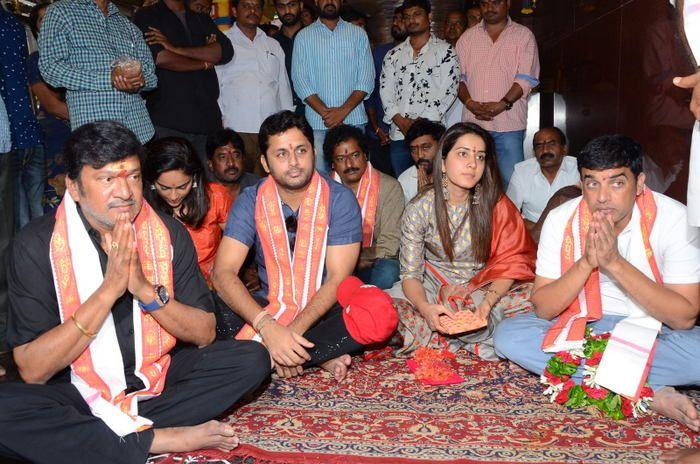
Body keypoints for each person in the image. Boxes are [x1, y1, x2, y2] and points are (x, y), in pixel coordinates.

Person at [0, 121, 269, 464]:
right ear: (75, 187)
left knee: (250, 359)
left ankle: (96, 436)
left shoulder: (168, 233)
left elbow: (205, 333)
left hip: (154, 378)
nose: (125, 192)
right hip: (74, 391)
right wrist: (108, 292)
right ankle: (152, 439)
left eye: (133, 176)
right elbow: (34, 368)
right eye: (107, 178)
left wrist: (144, 289)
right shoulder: (36, 245)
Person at [493, 135, 700, 432]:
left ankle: (610, 380)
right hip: (585, 328)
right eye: (592, 183)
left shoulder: (675, 219)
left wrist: (614, 262)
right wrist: (587, 263)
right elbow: (543, 308)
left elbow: (684, 317)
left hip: (657, 332)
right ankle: (651, 392)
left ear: (640, 184)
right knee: (509, 335)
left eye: (616, 183)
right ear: (581, 184)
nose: (602, 197)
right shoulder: (561, 219)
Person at [212, 111, 398, 382]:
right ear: (265, 162)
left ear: (313, 151)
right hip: (270, 308)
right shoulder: (251, 200)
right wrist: (269, 327)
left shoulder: (339, 199)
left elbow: (338, 279)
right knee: (217, 304)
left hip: (324, 309)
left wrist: (290, 335)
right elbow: (223, 272)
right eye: (281, 154)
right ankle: (317, 355)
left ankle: (282, 354)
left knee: (379, 313)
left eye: (301, 150)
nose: (294, 162)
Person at [388, 122, 536, 361]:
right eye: (463, 154)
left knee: (538, 295)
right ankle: (472, 337)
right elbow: (411, 275)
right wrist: (426, 309)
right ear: (443, 162)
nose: (472, 164)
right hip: (432, 285)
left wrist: (486, 305)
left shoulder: (496, 204)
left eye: (480, 156)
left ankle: (446, 338)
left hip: (482, 286)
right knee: (384, 309)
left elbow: (513, 261)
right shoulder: (420, 208)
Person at [133, 0, 234, 171]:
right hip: (169, 121)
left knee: (207, 189)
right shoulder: (147, 15)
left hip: (207, 121)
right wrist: (203, 62)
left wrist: (175, 49)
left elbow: (224, 52)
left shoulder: (200, 17)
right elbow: (160, 58)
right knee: (170, 185)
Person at [38, 0, 157, 144]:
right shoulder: (61, 12)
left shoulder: (126, 24)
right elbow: (50, 67)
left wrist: (139, 81)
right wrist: (109, 79)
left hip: (140, 132)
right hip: (96, 135)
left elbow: (151, 76)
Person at [455, 0, 540, 187]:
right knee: (472, 183)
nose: (489, 8)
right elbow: (458, 79)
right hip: (474, 125)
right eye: (484, 3)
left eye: (495, 2)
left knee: (513, 185)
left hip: (508, 125)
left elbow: (526, 78)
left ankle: (511, 217)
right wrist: (470, 103)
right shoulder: (467, 38)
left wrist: (502, 104)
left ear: (508, 3)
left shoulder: (523, 36)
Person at [292, 0, 375, 173]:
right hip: (318, 125)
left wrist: (342, 112)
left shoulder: (358, 34)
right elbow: (300, 81)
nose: (329, 1)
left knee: (356, 177)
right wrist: (327, 114)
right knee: (322, 183)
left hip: (353, 122)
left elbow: (366, 79)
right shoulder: (303, 37)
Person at [379, 0, 459, 177]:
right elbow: (385, 91)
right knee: (404, 188)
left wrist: (419, 126)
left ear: (428, 16)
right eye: (407, 17)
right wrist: (401, 121)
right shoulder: (393, 55)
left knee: (435, 188)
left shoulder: (446, 52)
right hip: (400, 135)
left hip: (431, 137)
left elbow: (448, 91)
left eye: (416, 14)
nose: (411, 20)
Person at [216, 0, 294, 175]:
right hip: (236, 128)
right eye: (246, 6)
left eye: (257, 6)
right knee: (239, 185)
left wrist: (287, 123)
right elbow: (216, 85)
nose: (253, 10)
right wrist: (220, 120)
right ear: (235, 11)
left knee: (269, 183)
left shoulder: (273, 45)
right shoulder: (223, 43)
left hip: (270, 130)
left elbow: (283, 86)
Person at [324, 124, 404, 289]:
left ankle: (371, 308)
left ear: (365, 155)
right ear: (332, 164)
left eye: (355, 155)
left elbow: (390, 245)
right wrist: (347, 259)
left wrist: (357, 257)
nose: (349, 164)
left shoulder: (389, 187)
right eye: (340, 159)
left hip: (373, 261)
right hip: (334, 261)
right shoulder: (322, 189)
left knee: (388, 272)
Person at [144, 137, 231, 286]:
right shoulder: (143, 206)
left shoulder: (215, 197)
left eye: (182, 187)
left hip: (212, 284)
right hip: (164, 286)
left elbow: (237, 243)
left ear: (195, 178)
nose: (173, 196)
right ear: (152, 182)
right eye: (164, 188)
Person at [1, 7, 45, 230]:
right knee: (34, 213)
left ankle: (28, 262)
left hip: (12, 134)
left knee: (17, 217)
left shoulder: (19, 27)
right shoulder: (18, 27)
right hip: (24, 128)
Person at [27, 2, 72, 212]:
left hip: (81, 132)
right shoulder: (36, 60)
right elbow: (51, 106)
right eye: (43, 19)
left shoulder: (77, 57)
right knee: (58, 199)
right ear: (36, 29)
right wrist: (93, 116)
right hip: (55, 135)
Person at [506, 127, 579, 231]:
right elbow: (510, 213)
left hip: (570, 232)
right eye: (539, 145)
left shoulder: (578, 169)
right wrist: (541, 231)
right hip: (533, 232)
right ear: (534, 152)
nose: (545, 150)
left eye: (551, 144)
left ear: (564, 149)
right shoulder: (522, 171)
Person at [365, 6, 406, 176]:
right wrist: (376, 128)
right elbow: (371, 92)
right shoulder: (381, 52)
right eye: (394, 19)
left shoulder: (421, 55)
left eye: (401, 19)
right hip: (380, 134)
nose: (396, 23)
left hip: (408, 132)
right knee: (384, 183)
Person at [397, 118, 445, 204]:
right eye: (414, 150)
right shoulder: (405, 180)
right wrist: (420, 198)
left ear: (440, 146)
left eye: (426, 147)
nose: (420, 155)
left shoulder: (455, 175)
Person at [206, 128, 260, 203]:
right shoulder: (203, 193)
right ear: (210, 164)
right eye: (223, 157)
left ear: (243, 159)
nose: (231, 163)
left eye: (236, 155)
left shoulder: (258, 186)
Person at [272, 0, 306, 115]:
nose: (287, 11)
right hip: (283, 109)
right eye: (281, 6)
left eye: (292, 5)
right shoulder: (271, 43)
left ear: (301, 5)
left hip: (315, 109)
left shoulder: (314, 37)